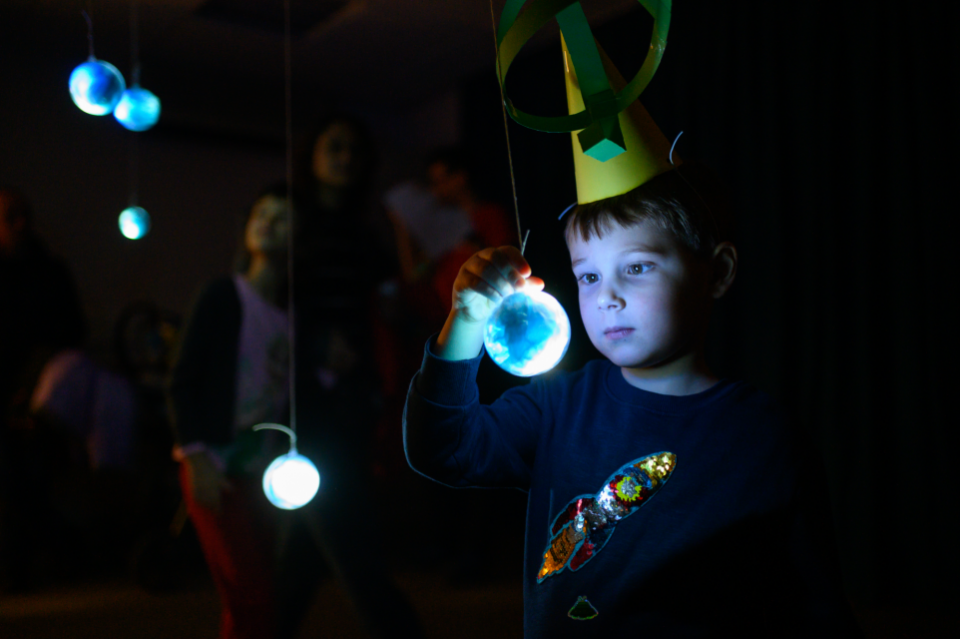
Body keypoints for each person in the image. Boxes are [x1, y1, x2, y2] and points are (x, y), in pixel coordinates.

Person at [168, 185, 293, 639]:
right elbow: (181, 380)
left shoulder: (291, 317)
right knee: (248, 594)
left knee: (257, 594)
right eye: (261, 213)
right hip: (215, 464)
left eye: (282, 217)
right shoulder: (222, 294)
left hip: (261, 473)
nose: (268, 222)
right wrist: (197, 457)